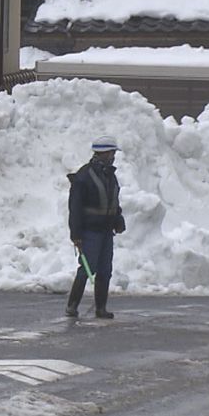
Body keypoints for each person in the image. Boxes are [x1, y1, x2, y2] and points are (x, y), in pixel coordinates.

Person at [66, 135, 126, 319]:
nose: (113, 156)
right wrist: (76, 234)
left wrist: (118, 218)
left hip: (106, 231)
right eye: (112, 153)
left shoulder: (110, 175)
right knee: (87, 268)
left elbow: (113, 200)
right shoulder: (84, 176)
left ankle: (101, 308)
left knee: (105, 270)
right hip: (90, 231)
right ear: (103, 153)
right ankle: (72, 306)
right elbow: (75, 208)